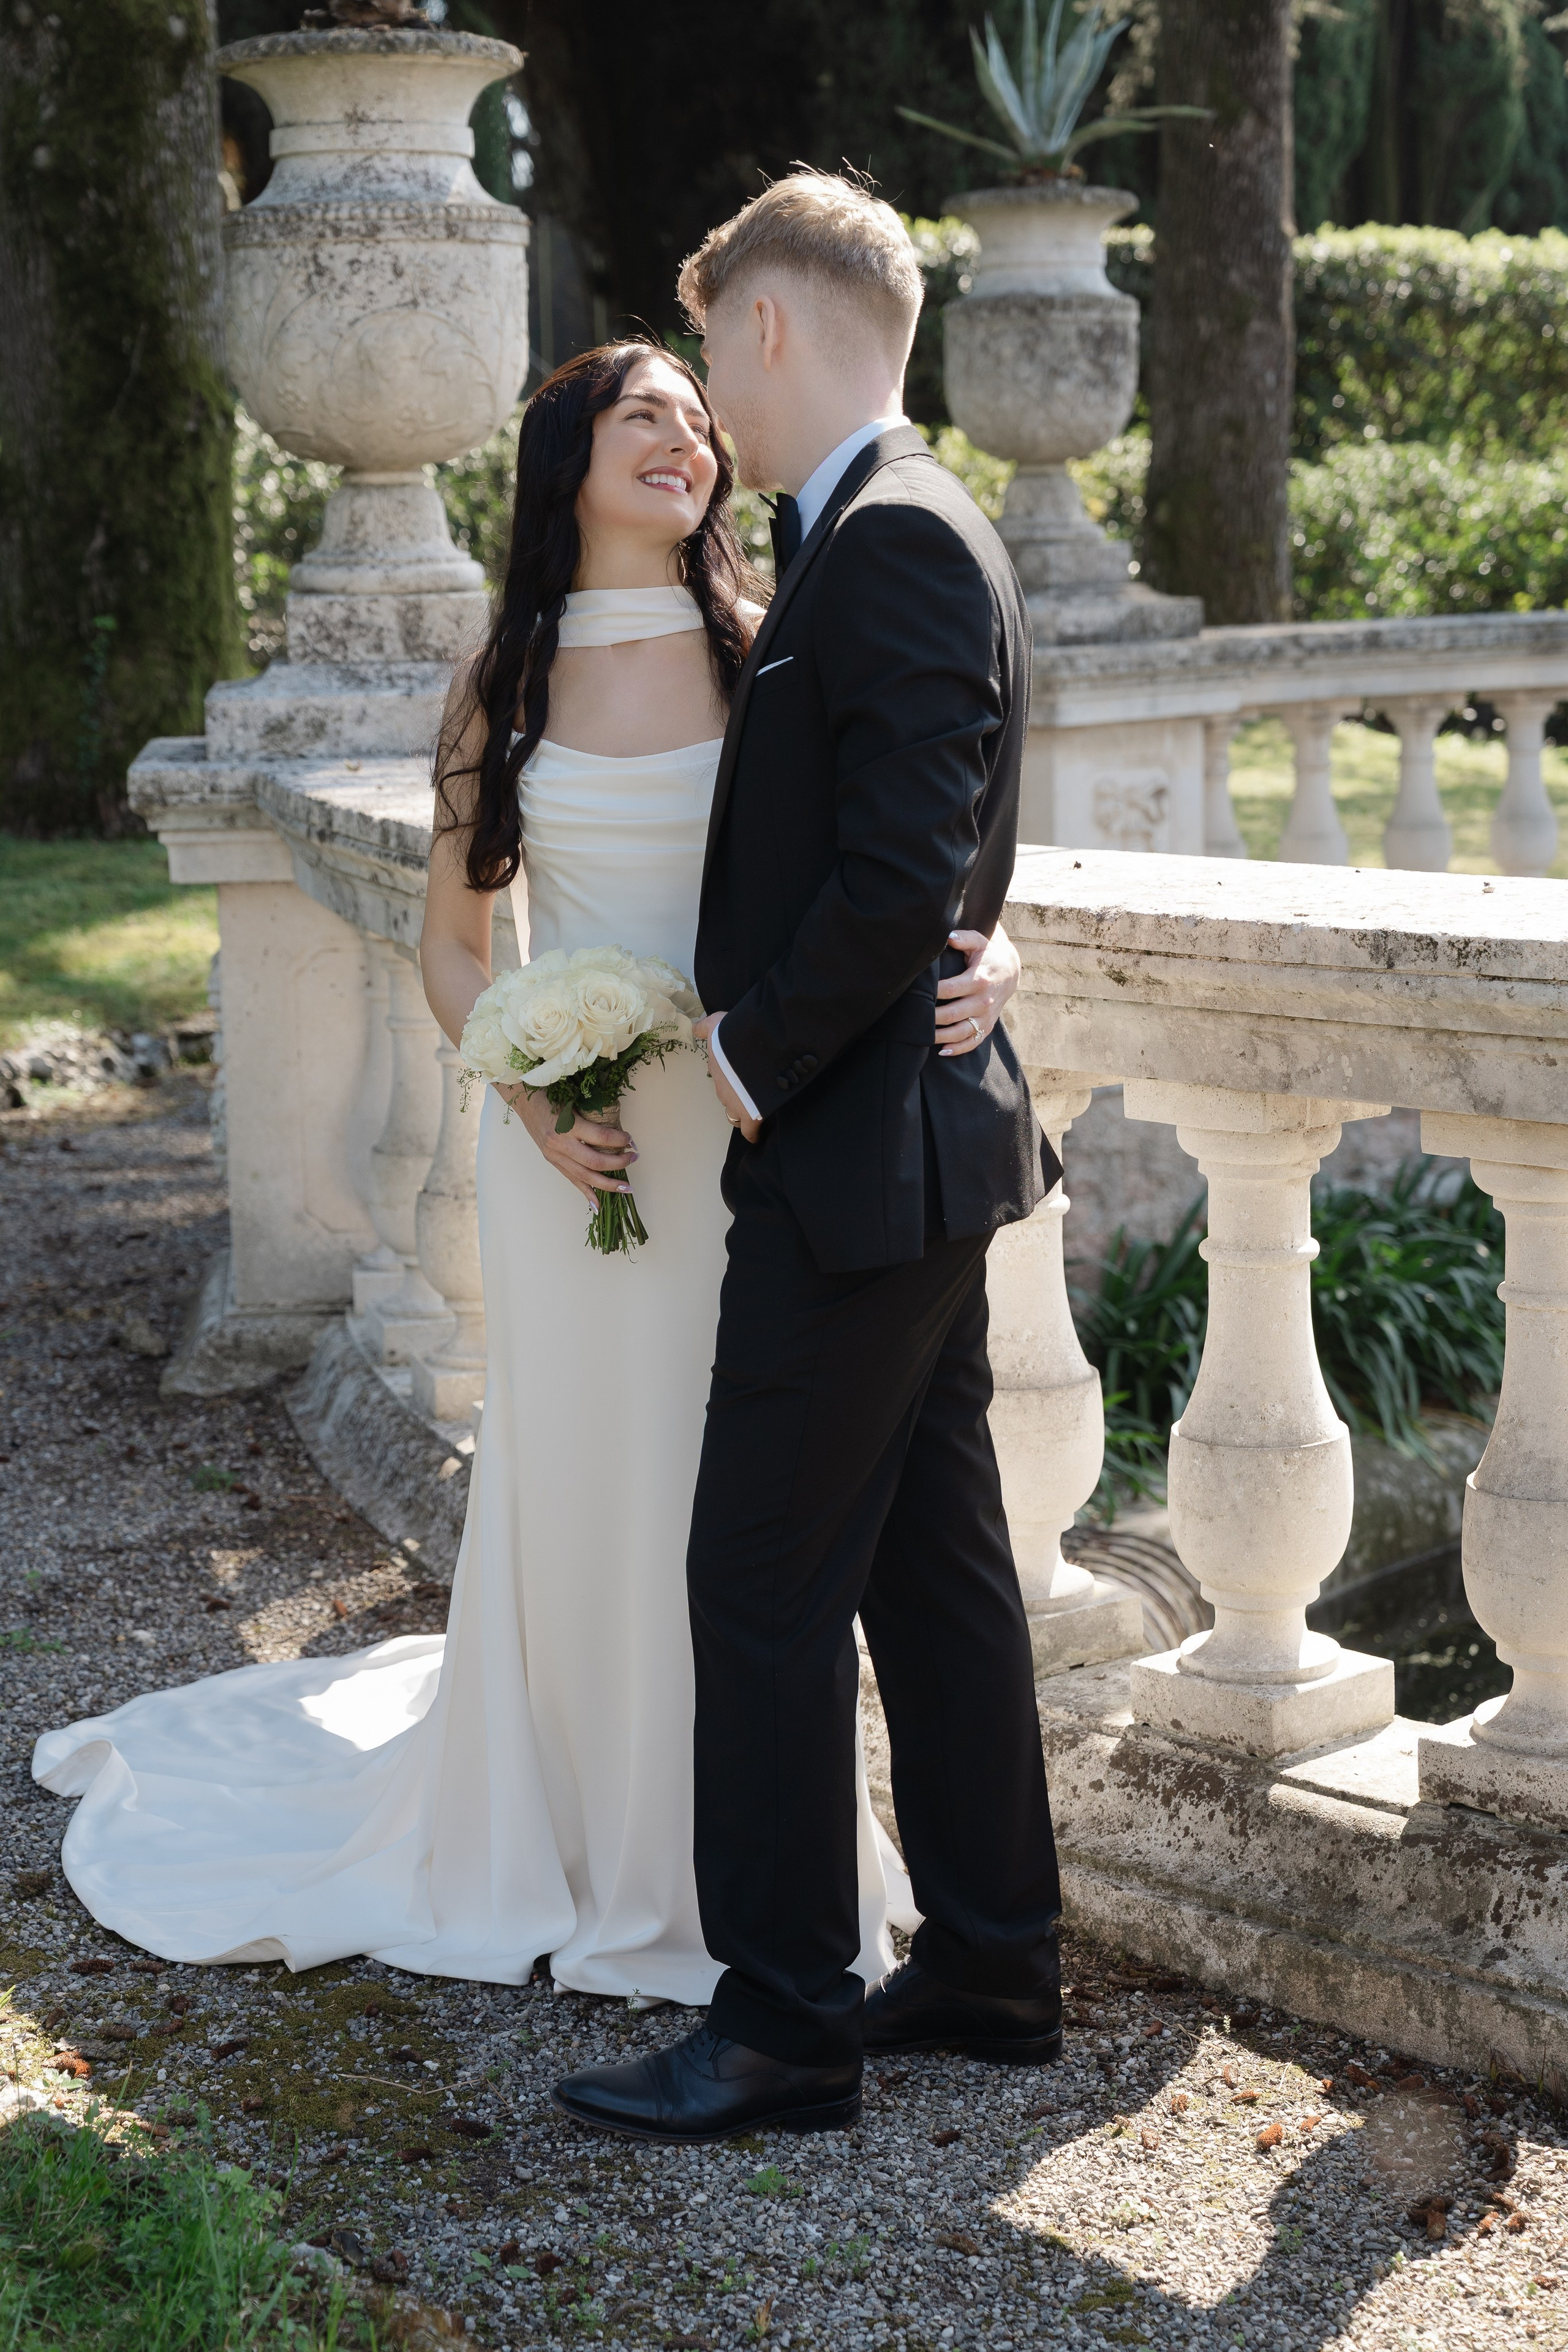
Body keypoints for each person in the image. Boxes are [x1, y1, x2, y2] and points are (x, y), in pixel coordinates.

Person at [31, 334, 1020, 2003]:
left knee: (741, 1525)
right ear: (567, 456)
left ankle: (738, 1871)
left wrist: (1007, 957)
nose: (688, 441)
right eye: (647, 414)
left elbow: (912, 835)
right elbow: (451, 948)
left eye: (703, 421)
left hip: (756, 1144)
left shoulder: (760, 647)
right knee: (595, 1494)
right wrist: (537, 1097)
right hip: (574, 1162)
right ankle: (568, 1834)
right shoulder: (503, 680)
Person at [554, 172, 1065, 2146]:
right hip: (906, 1162)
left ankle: (779, 2022)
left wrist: (746, 1063)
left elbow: (900, 868)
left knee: (756, 1577)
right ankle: (999, 1959)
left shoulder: (901, 536)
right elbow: (920, 842)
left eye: (715, 356)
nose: (711, 403)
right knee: (932, 1576)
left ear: (770, 327)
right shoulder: (861, 531)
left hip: (859, 1164)